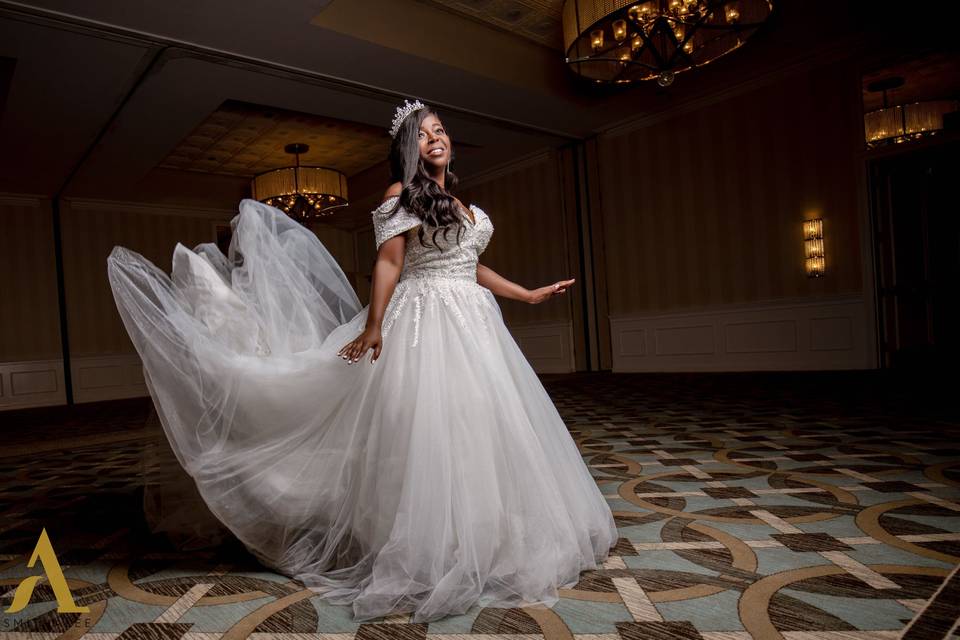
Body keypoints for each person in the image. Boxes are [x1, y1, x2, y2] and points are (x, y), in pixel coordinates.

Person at [106, 98, 618, 623]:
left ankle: (481, 534)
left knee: (481, 421)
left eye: (439, 130)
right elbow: (390, 262)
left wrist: (527, 295)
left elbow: (471, 265)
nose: (434, 138)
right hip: (424, 319)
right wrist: (374, 325)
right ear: (408, 151)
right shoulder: (401, 195)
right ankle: (425, 544)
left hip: (474, 322)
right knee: (424, 427)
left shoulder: (456, 201)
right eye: (422, 135)